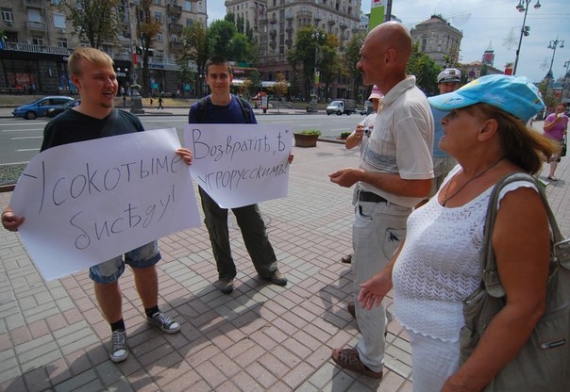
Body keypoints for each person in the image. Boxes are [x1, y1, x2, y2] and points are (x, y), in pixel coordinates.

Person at [358, 74, 557, 391]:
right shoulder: (460, 171)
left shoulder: (516, 197)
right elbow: (423, 229)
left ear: (487, 129)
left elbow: (527, 307)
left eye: (457, 112)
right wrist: (387, 275)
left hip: (457, 355)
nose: (445, 120)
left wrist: (463, 382)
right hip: (429, 347)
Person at [1, 47, 193, 364]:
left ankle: (153, 312)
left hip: (137, 217)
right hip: (96, 226)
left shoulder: (129, 121)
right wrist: (13, 210)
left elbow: (149, 166)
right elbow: (43, 180)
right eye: (99, 77)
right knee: (106, 277)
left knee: (146, 265)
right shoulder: (61, 128)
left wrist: (178, 161)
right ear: (76, 81)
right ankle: (117, 330)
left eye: (113, 76)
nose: (110, 83)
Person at [329, 21, 434, 379]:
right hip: (377, 215)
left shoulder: (405, 109)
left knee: (367, 290)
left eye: (364, 56)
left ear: (389, 58)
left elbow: (421, 184)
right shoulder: (393, 104)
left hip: (383, 217)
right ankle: (371, 320)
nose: (359, 64)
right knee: (366, 284)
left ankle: (370, 358)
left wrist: (360, 176)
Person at [188, 55, 293, 294]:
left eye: (223, 75)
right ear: (207, 79)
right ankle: (226, 275)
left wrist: (279, 157)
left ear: (231, 78)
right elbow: (195, 149)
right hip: (211, 182)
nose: (218, 80)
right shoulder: (199, 110)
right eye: (213, 76)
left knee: (254, 224)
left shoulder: (244, 108)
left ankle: (268, 268)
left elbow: (258, 144)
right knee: (217, 229)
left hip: (242, 181)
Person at [341, 85, 383, 266]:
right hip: (364, 181)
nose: (376, 104)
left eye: (379, 100)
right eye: (374, 100)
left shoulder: (399, 120)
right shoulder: (369, 119)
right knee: (360, 218)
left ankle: (378, 258)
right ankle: (358, 252)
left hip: (384, 184)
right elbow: (348, 144)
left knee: (381, 222)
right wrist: (356, 136)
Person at [422, 68, 462, 203]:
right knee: (425, 198)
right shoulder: (428, 104)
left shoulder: (464, 106)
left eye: (453, 85)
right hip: (430, 158)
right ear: (439, 85)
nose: (450, 88)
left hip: (453, 158)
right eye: (446, 84)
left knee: (448, 198)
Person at [543, 102, 568, 181]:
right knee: (542, 156)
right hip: (547, 139)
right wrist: (555, 122)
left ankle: (551, 174)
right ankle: (535, 172)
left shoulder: (565, 118)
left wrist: (564, 131)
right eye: (558, 109)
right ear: (555, 109)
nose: (560, 111)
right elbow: (545, 128)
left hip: (558, 140)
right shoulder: (550, 117)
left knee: (556, 158)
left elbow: (564, 127)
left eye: (562, 109)